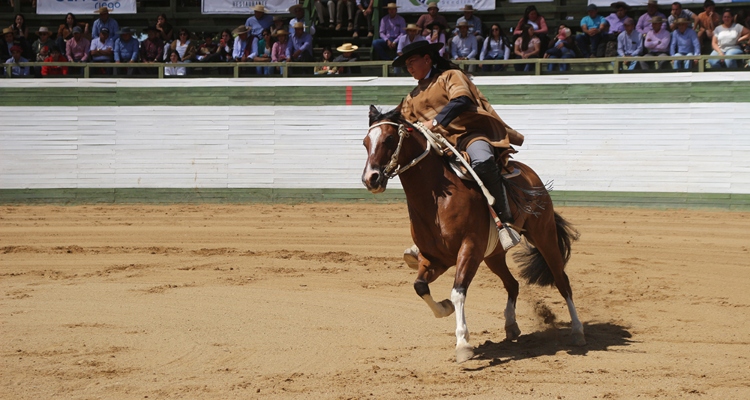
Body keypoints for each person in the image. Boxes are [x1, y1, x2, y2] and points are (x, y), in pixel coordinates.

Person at [392, 40, 525, 249]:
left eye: (411, 62)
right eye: (406, 64)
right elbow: (406, 126)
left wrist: (434, 122)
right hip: (438, 147)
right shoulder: (410, 98)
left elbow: (461, 99)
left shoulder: (451, 76)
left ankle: (505, 220)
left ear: (427, 59)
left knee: (482, 161)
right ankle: (426, 236)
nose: (408, 68)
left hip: (469, 135)